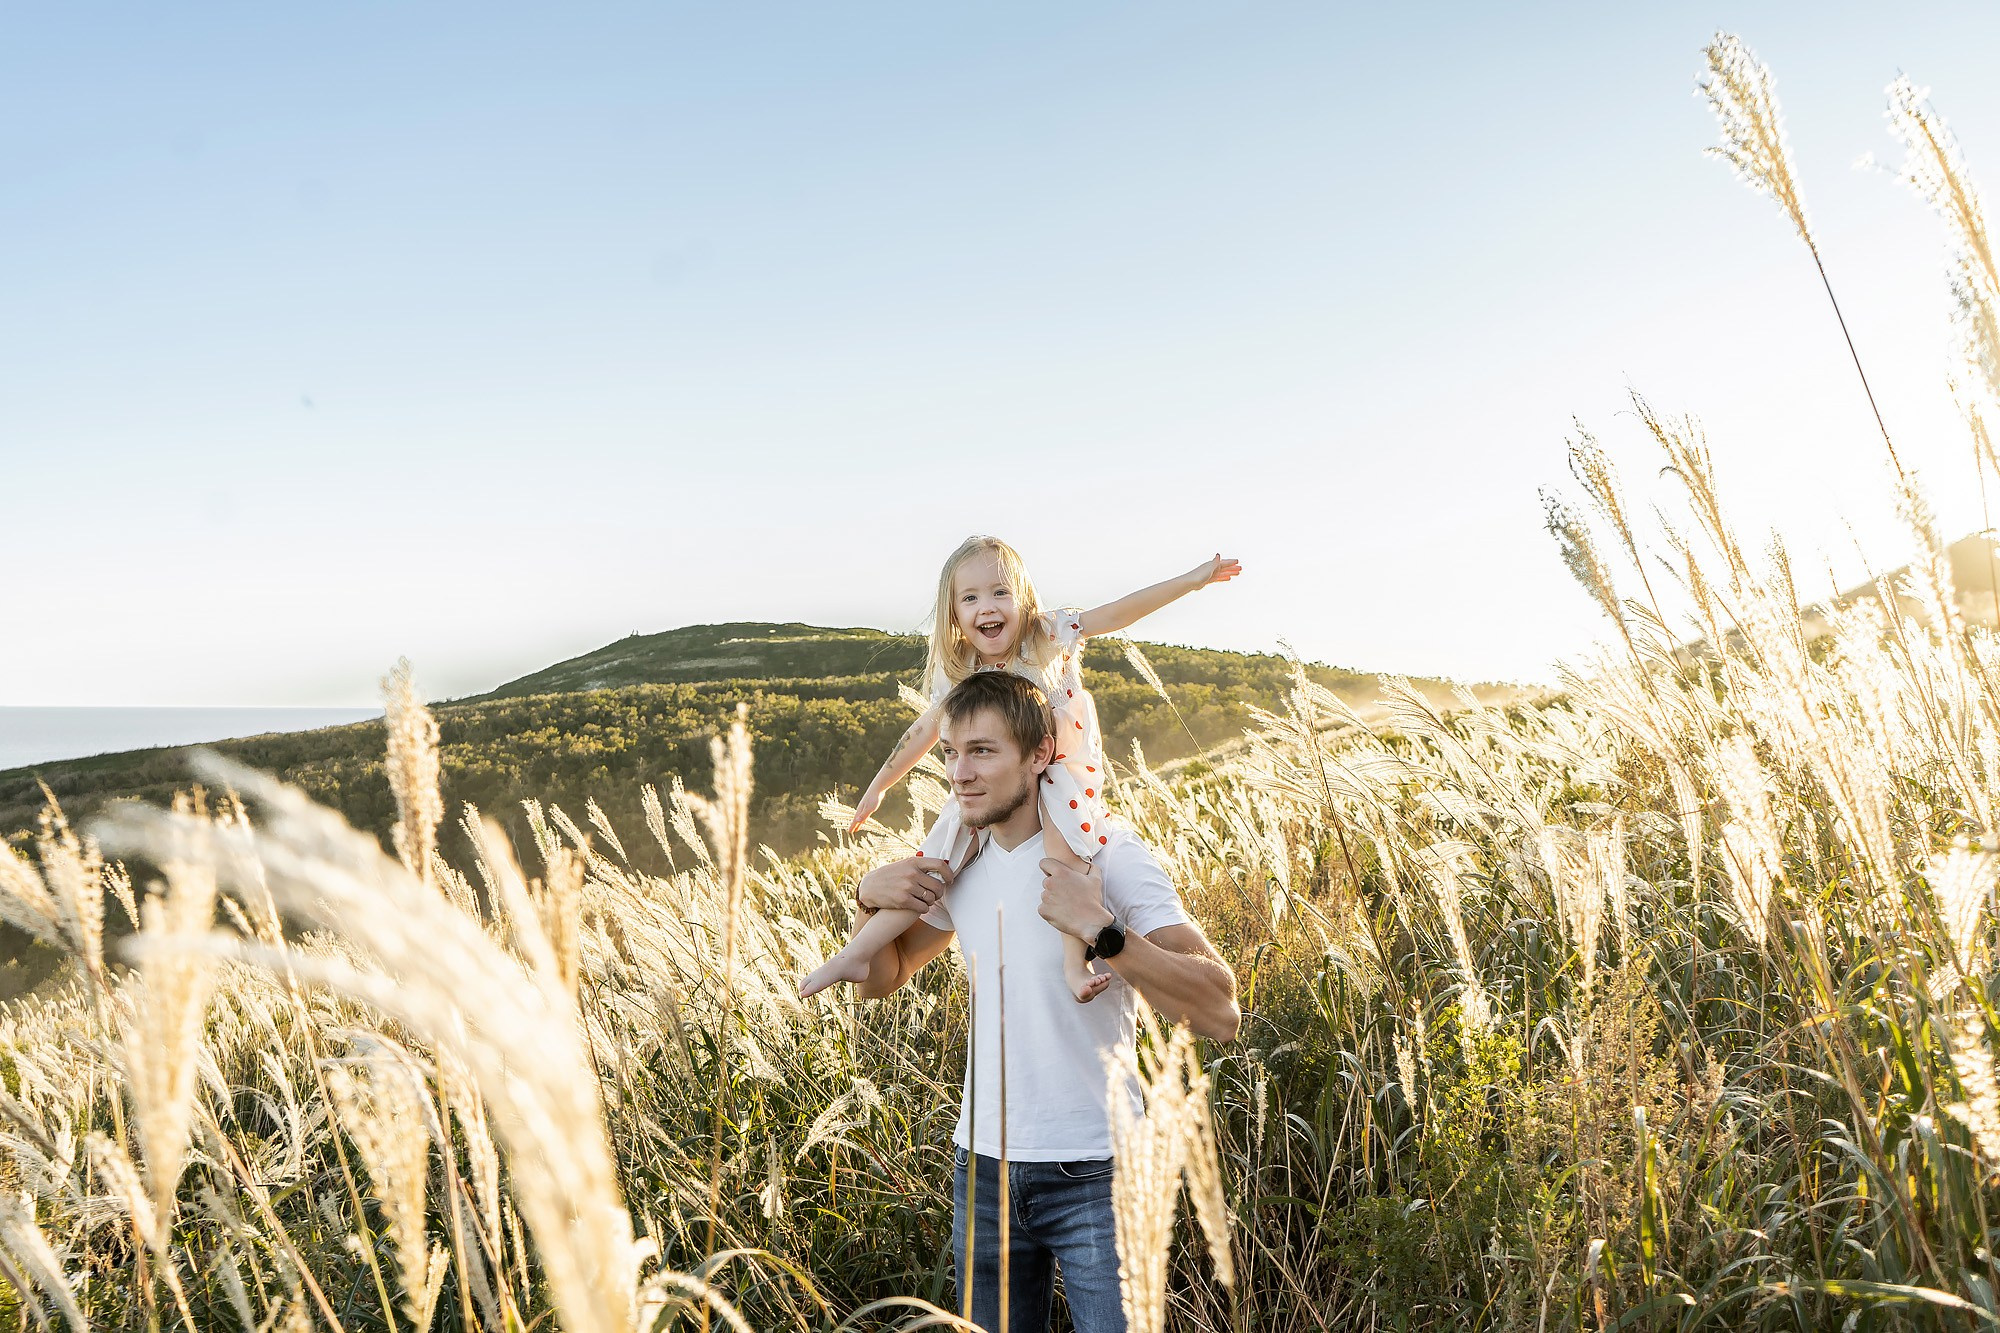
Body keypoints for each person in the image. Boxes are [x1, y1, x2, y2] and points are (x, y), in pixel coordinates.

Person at [843, 669, 1239, 1333]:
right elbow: (884, 973)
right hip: (983, 1169)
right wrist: (867, 896)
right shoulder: (960, 861)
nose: (958, 773)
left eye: (982, 751)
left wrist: (1106, 933)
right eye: (949, 752)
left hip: (1098, 1172)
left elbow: (1220, 1009)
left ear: (1038, 756)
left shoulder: (1108, 852)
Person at [798, 535, 1240, 1001]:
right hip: (1006, 779)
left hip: (1059, 766)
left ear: (1023, 598)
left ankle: (1073, 962)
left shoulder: (1045, 637)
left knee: (1064, 853)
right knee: (936, 861)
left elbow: (1117, 611)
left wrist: (1192, 582)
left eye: (999, 592)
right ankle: (859, 950)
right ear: (954, 613)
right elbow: (923, 730)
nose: (986, 607)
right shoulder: (963, 668)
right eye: (969, 597)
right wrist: (880, 786)